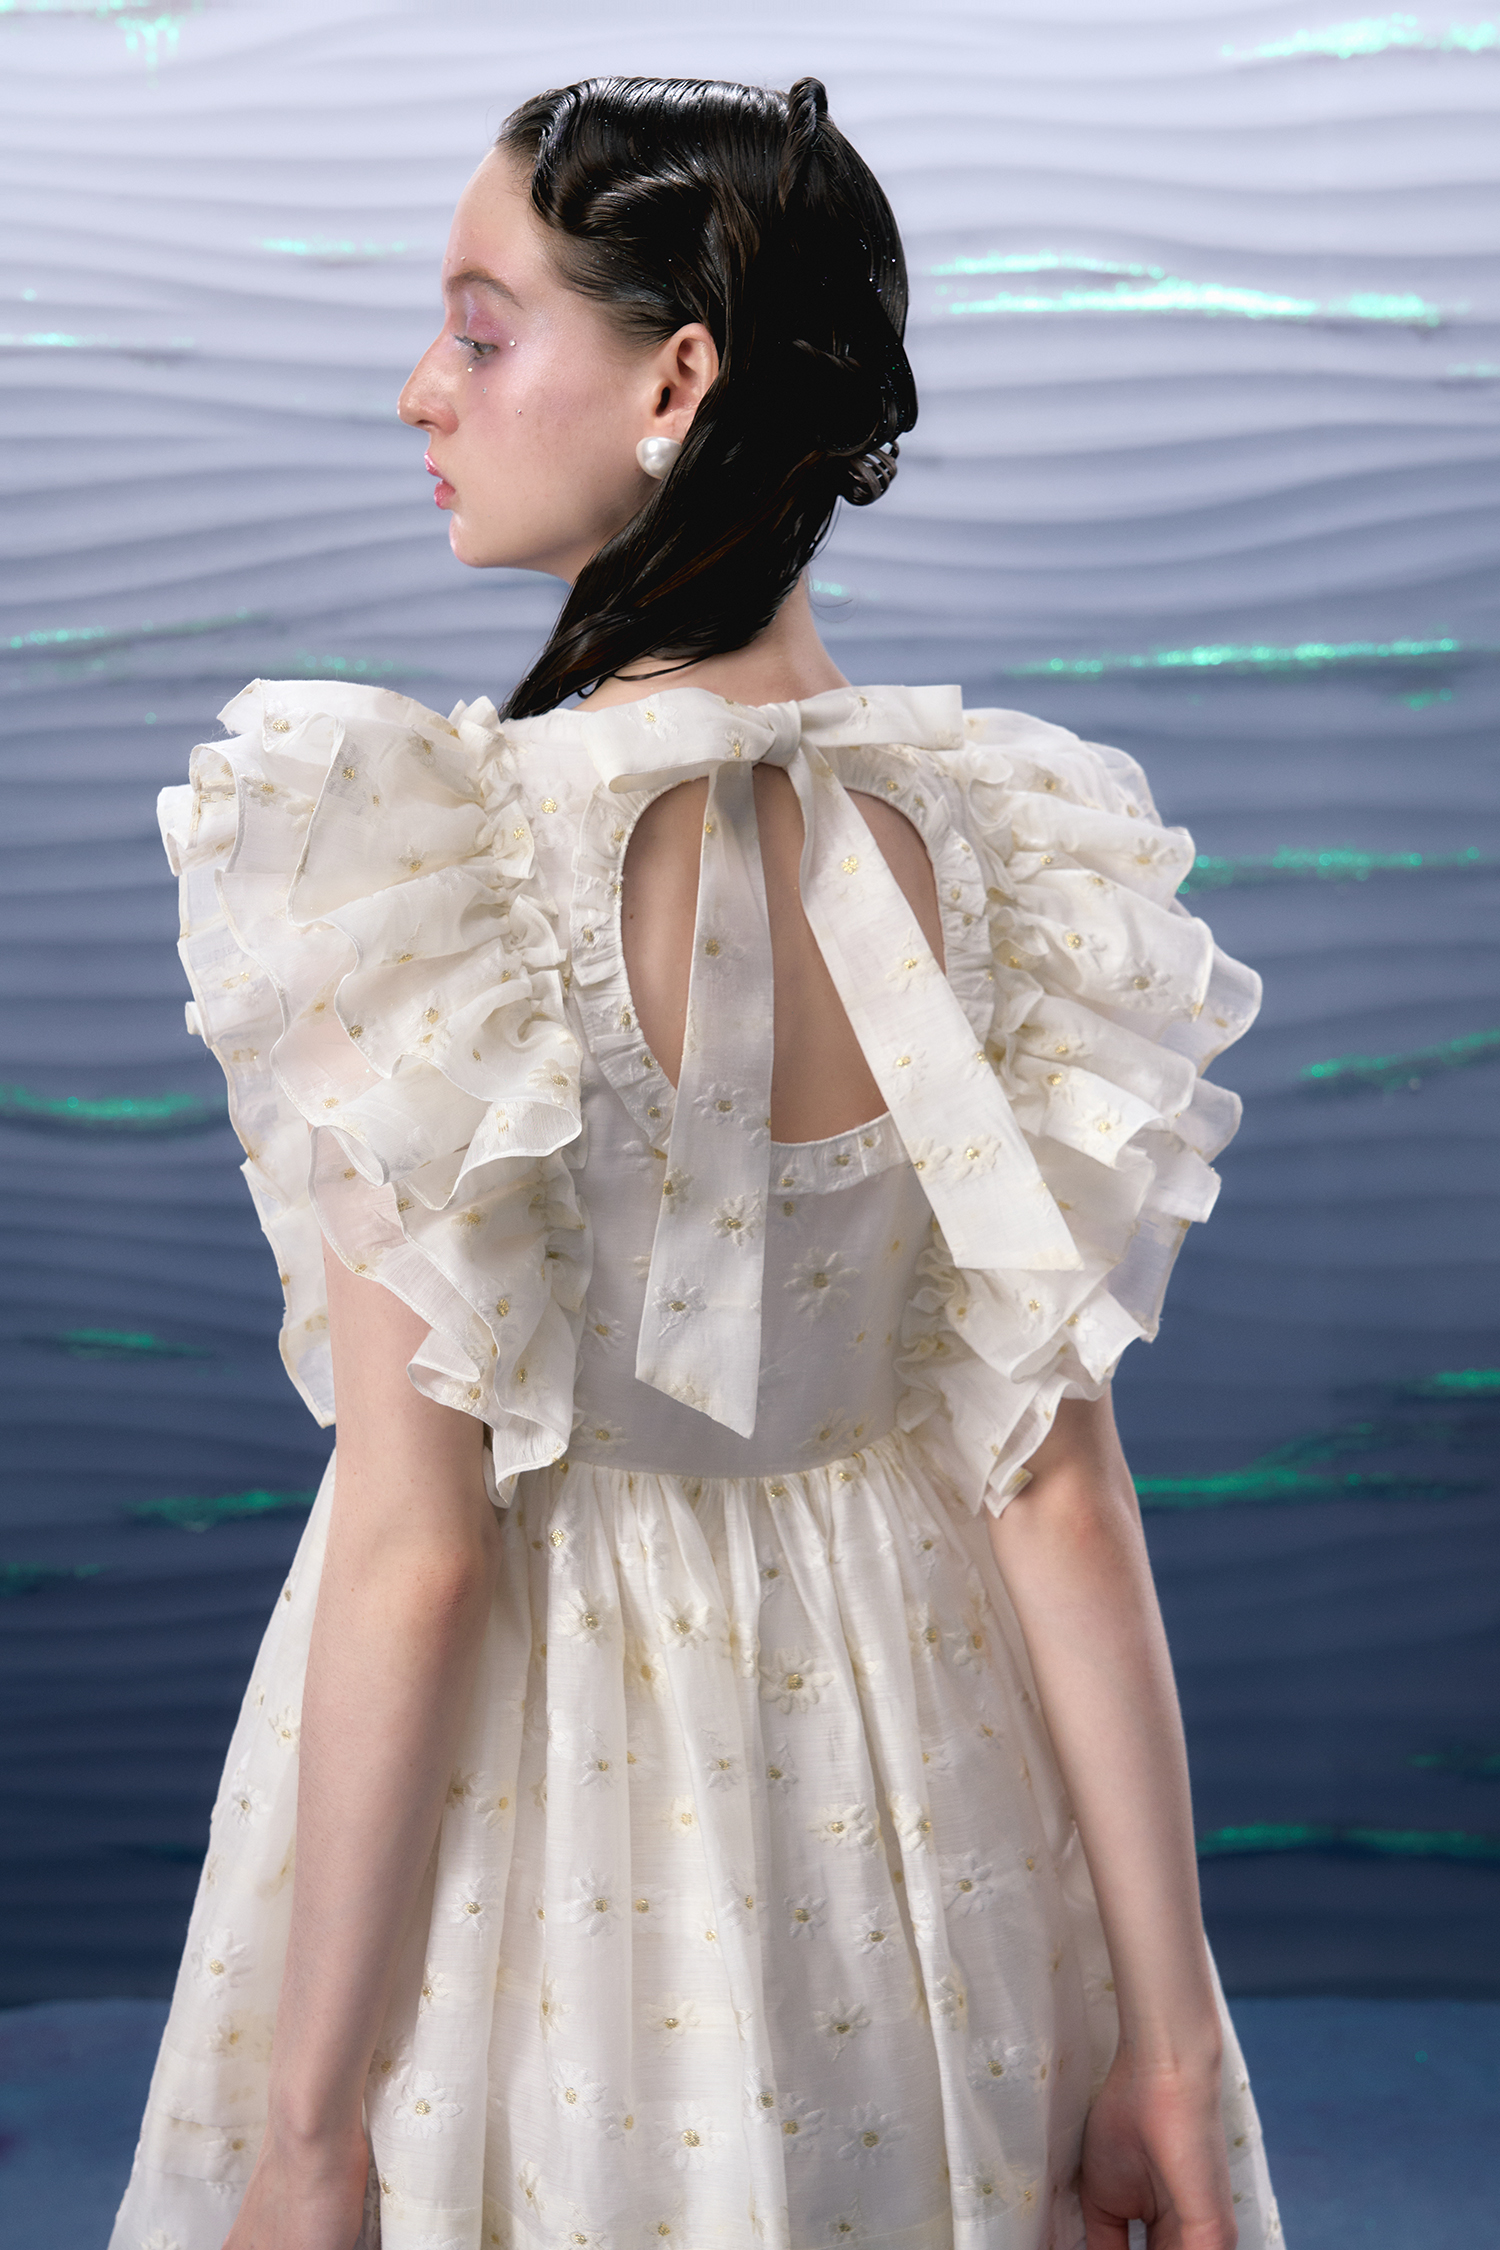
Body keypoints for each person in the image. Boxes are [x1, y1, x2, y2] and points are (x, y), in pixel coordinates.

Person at [110, 74, 1281, 2250]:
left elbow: (419, 1547)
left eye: (480, 330)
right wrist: (1170, 2040)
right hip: (924, 1791)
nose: (420, 389)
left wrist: (307, 2134)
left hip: (549, 1801)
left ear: (676, 381)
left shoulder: (418, 875)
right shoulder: (1006, 854)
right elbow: (1054, 1487)